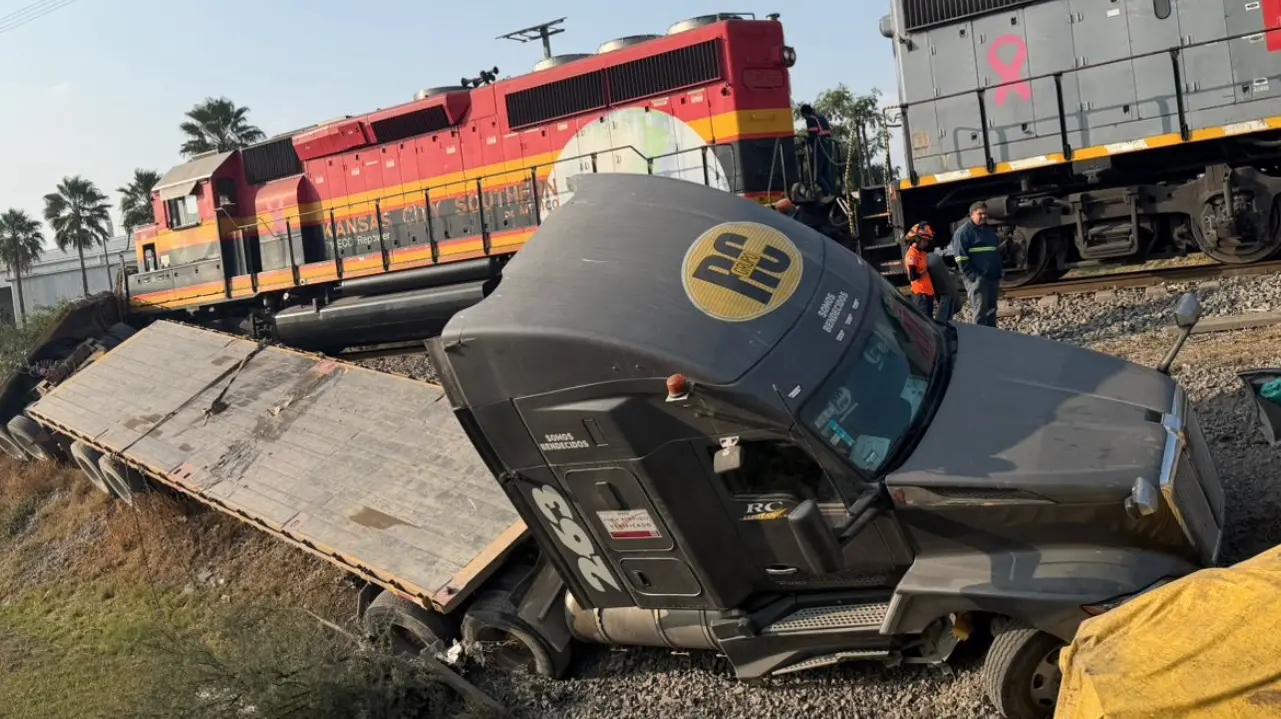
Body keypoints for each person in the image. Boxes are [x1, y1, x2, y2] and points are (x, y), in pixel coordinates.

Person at [950, 201, 1003, 327]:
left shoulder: (988, 232)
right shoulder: (963, 233)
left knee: (992, 310)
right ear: (972, 214)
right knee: (980, 310)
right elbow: (960, 258)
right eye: (980, 214)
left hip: (992, 277)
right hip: (977, 278)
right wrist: (973, 277)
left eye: (985, 214)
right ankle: (980, 339)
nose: (984, 216)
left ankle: (992, 337)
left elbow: (994, 251)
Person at [799, 104, 837, 200]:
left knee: (817, 176)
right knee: (826, 172)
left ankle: (828, 195)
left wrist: (804, 142)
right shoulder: (822, 118)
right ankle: (832, 192)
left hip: (819, 147)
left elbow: (813, 135)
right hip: (828, 146)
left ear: (804, 114)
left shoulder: (810, 119)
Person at [903, 222, 936, 318]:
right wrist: (925, 271)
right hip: (921, 294)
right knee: (925, 321)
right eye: (924, 241)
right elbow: (913, 277)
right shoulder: (912, 254)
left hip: (927, 293)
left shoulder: (921, 253)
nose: (926, 244)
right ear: (917, 239)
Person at [926, 249, 961, 324]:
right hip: (948, 292)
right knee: (947, 298)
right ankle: (942, 324)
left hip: (944, 292)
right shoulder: (934, 258)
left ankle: (940, 324)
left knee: (945, 299)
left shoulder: (930, 259)